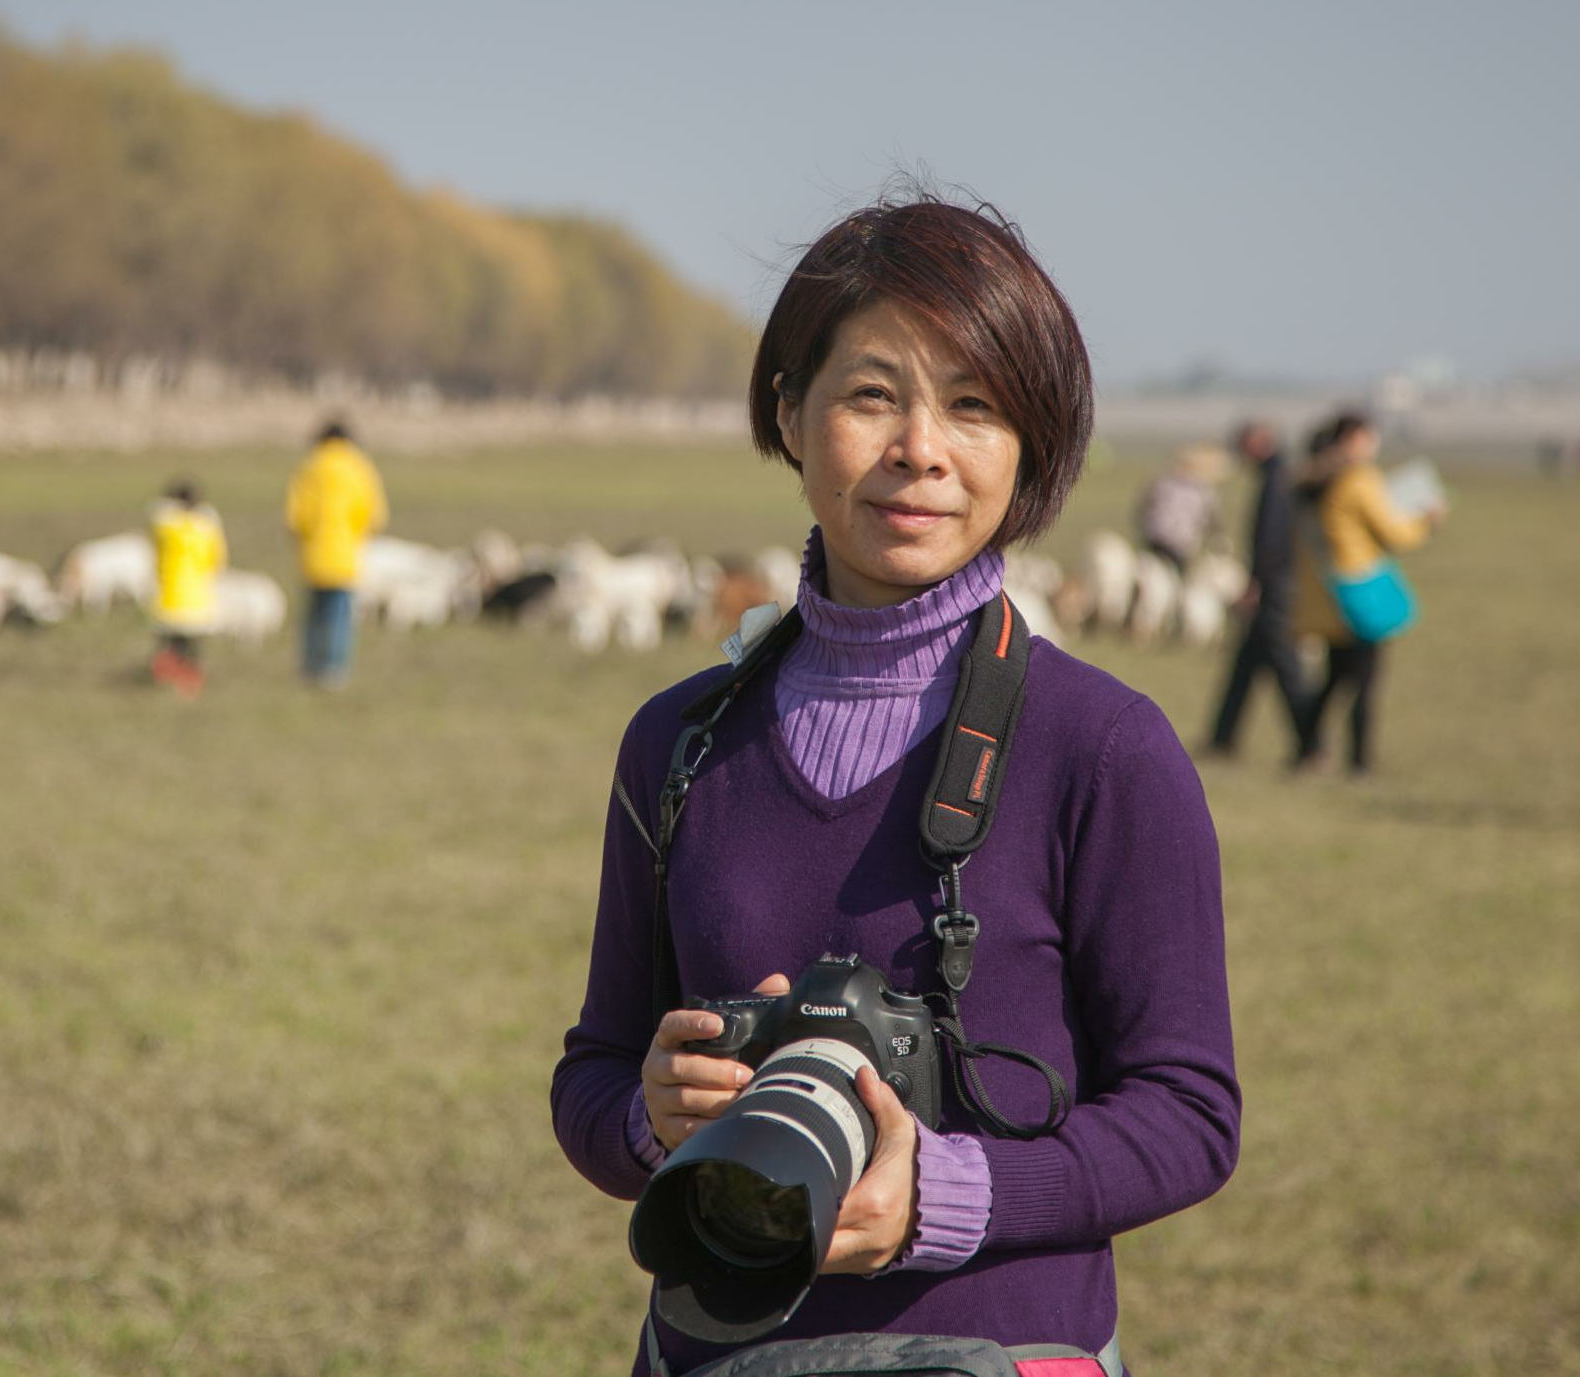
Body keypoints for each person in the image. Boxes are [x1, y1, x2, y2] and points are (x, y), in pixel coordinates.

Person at [551, 196, 1239, 1376]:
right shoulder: (677, 744)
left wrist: (942, 1195)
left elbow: (1187, 1115)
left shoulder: (1105, 748)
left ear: (1031, 445)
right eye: (871, 396)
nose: (920, 449)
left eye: (974, 406)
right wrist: (648, 1116)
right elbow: (594, 1072)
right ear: (788, 412)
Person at [1292, 411, 1442, 775]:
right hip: (1362, 588)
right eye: (1368, 436)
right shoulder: (1358, 479)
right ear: (1353, 439)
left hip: (1329, 588)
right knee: (1365, 680)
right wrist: (1427, 521)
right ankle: (1360, 760)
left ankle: (1307, 749)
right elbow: (1394, 533)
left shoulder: (1321, 478)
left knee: (1335, 677)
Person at [1203, 420, 1307, 755]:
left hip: (1276, 588)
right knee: (1245, 665)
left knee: (1286, 666)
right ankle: (1223, 739)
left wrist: (1257, 583)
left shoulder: (1278, 478)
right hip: (1274, 583)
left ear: (1260, 442)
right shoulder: (1277, 474)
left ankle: (1311, 743)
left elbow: (1271, 540)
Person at [285, 419, 387, 686]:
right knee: (339, 615)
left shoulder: (310, 466)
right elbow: (374, 513)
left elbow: (295, 515)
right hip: (346, 553)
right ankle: (334, 668)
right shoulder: (358, 467)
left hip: (313, 553)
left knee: (314, 613)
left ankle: (310, 665)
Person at [148, 479, 226, 698]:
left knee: (170, 643)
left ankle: (165, 679)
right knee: (192, 647)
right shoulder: (206, 529)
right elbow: (217, 560)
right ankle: (189, 684)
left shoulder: (166, 527)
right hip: (197, 596)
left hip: (169, 595)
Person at [1133, 442, 1226, 577]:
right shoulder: (1202, 491)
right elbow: (1211, 519)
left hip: (1160, 538)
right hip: (1179, 542)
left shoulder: (1161, 483)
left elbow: (1143, 509)